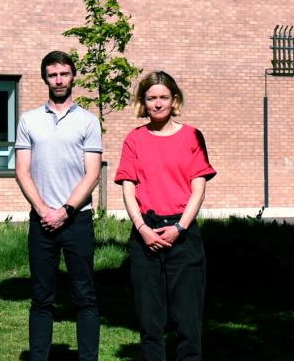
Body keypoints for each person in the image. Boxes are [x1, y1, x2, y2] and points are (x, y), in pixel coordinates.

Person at [115, 71, 216, 361]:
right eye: (151, 98)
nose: (157, 103)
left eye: (163, 97)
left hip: (183, 237)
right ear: (142, 103)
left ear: (174, 100)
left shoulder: (192, 136)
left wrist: (180, 227)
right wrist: (142, 228)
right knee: (150, 324)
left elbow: (198, 188)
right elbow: (128, 187)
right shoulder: (134, 139)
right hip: (145, 235)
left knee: (188, 323)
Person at [14, 51, 102, 361]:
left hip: (77, 220)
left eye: (64, 73)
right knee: (41, 298)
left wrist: (65, 210)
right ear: (45, 78)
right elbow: (22, 171)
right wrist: (43, 211)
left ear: (73, 76)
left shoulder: (88, 121)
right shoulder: (29, 120)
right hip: (41, 221)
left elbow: (92, 173)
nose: (59, 80)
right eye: (53, 75)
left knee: (85, 297)